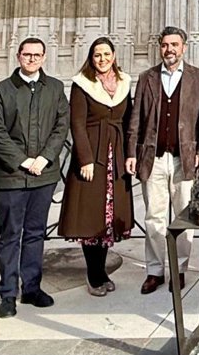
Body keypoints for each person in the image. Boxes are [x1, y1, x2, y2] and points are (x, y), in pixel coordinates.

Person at [0, 36, 69, 318]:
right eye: (27, 54)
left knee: (35, 233)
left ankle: (31, 287)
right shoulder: (1, 91)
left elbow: (61, 126)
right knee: (10, 234)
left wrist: (45, 158)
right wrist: (23, 160)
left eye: (37, 55)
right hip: (11, 175)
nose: (32, 59)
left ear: (44, 57)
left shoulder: (55, 88)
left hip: (44, 174)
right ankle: (8, 293)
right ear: (18, 56)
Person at [125, 26, 199, 294]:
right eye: (165, 45)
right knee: (154, 216)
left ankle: (179, 269)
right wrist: (132, 153)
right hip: (155, 157)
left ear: (184, 47)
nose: (169, 49)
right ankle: (155, 271)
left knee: (184, 216)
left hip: (184, 157)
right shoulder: (147, 77)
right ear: (160, 47)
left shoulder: (198, 77)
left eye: (174, 44)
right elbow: (136, 118)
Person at [58, 36, 134, 296]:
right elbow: (77, 124)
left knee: (108, 218)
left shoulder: (124, 83)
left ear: (114, 56)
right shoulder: (82, 84)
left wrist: (130, 155)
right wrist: (85, 159)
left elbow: (129, 121)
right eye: (97, 55)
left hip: (116, 156)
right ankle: (93, 274)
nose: (102, 59)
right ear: (91, 58)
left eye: (106, 54)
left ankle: (101, 271)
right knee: (90, 217)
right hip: (92, 155)